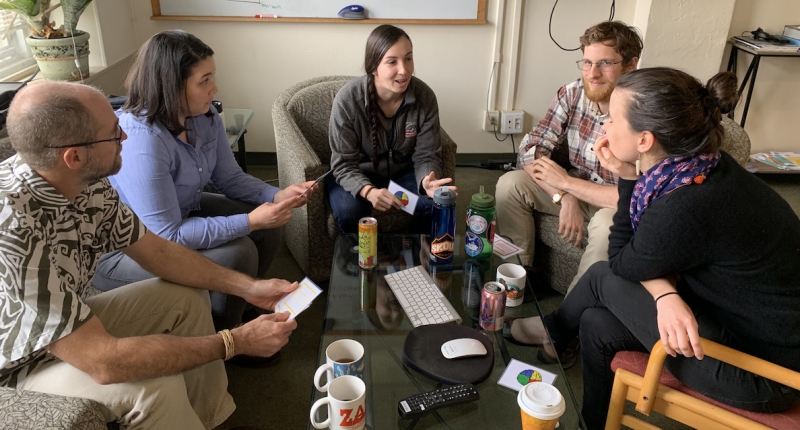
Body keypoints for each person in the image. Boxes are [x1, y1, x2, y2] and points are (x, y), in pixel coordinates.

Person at [509, 67, 800, 429]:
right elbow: (649, 256)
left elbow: (621, 262)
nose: (604, 126)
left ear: (644, 141)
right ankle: (593, 422)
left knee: (601, 276)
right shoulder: (706, 166)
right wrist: (666, 295)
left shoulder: (686, 204)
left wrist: (627, 178)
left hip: (764, 373)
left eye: (612, 119)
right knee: (596, 322)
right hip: (736, 325)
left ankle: (553, 329)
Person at [0, 80, 299, 429]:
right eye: (114, 134)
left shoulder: (86, 181)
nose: (124, 138)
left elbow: (157, 251)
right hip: (17, 363)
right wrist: (234, 342)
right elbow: (103, 362)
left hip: (68, 319)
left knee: (184, 297)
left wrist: (249, 289)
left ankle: (211, 419)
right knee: (152, 383)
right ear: (74, 155)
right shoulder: (13, 227)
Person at [93, 30, 316, 331]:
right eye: (205, 80)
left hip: (180, 213)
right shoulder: (142, 141)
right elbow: (167, 236)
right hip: (130, 250)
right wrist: (250, 221)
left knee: (268, 228)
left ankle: (244, 308)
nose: (215, 88)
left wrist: (274, 195)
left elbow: (230, 177)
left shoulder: (205, 115)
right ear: (172, 86)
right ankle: (227, 336)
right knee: (240, 250)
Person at [495, 21, 643, 294]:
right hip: (576, 184)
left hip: (616, 199)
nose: (593, 74)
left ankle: (571, 315)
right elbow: (531, 148)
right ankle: (518, 278)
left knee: (606, 224)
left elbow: (639, 196)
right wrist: (564, 196)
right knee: (510, 184)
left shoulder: (644, 111)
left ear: (631, 65)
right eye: (587, 63)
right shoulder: (573, 93)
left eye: (605, 63)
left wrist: (567, 184)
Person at [327, 24, 455, 234]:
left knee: (434, 206)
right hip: (355, 172)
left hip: (401, 176)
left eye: (408, 58)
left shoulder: (425, 97)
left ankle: (412, 259)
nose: (404, 70)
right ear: (373, 67)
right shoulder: (347, 100)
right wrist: (368, 191)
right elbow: (343, 164)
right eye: (392, 62)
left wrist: (426, 181)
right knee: (350, 213)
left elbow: (426, 154)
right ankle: (363, 263)